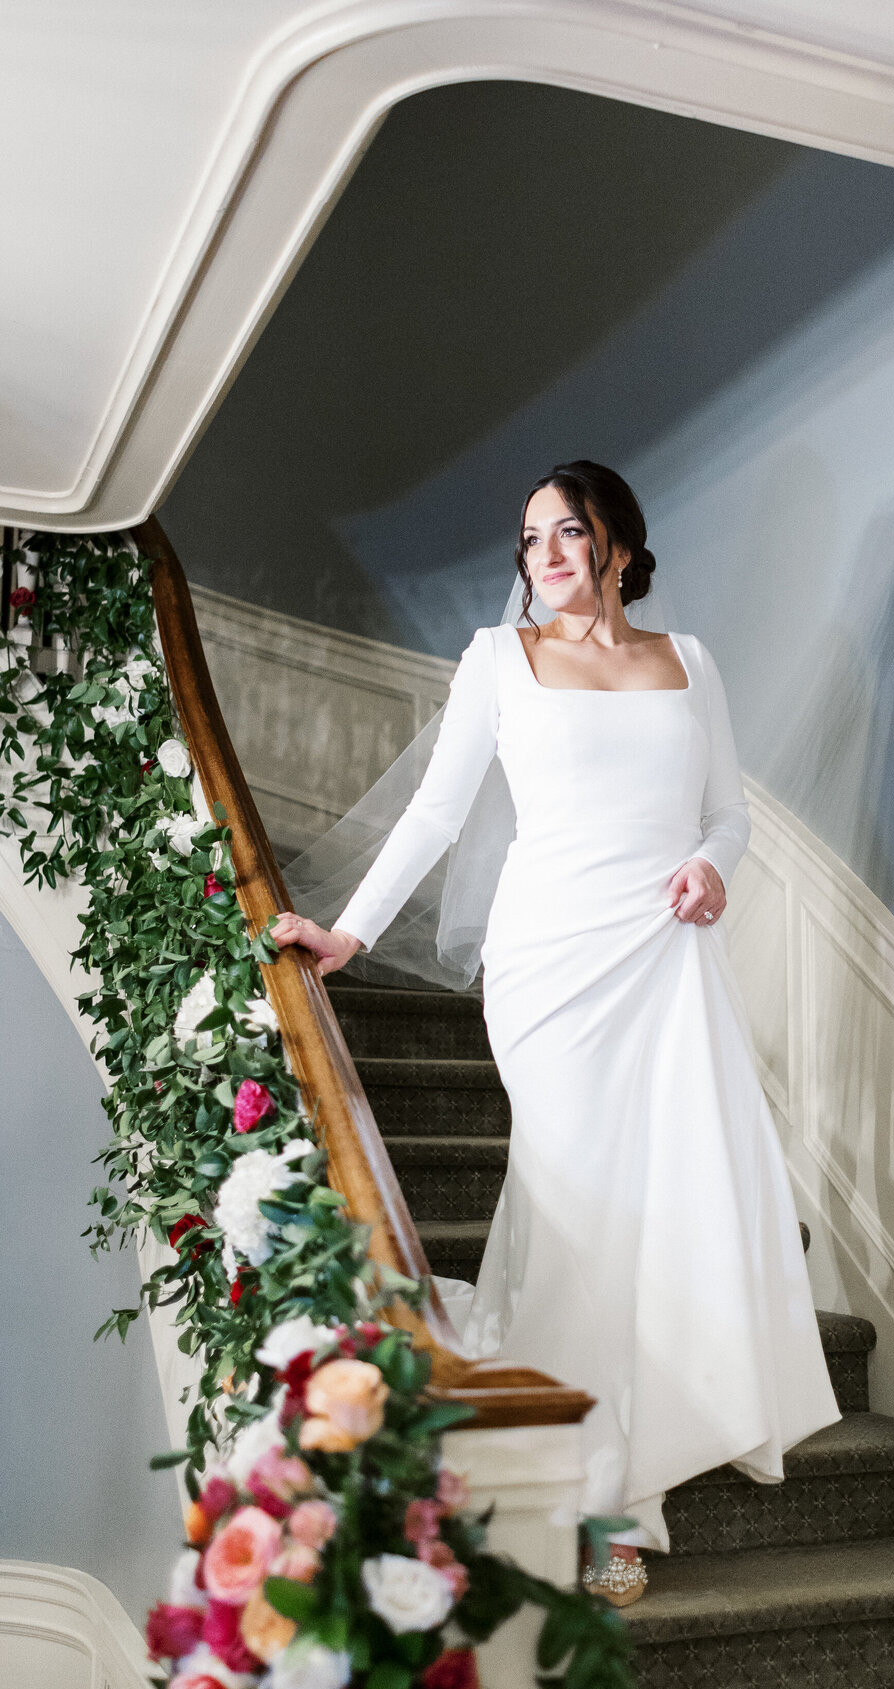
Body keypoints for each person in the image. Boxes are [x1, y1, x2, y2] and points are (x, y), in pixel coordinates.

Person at [272, 461, 841, 1604]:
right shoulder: (501, 662)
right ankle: (598, 1496)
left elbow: (727, 813)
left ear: (619, 545)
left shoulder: (691, 665)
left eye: (566, 531)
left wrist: (709, 868)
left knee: (662, 1203)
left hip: (665, 954)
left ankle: (617, 1437)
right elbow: (438, 806)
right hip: (547, 967)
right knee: (579, 1198)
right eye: (529, 539)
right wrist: (350, 934)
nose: (544, 554)